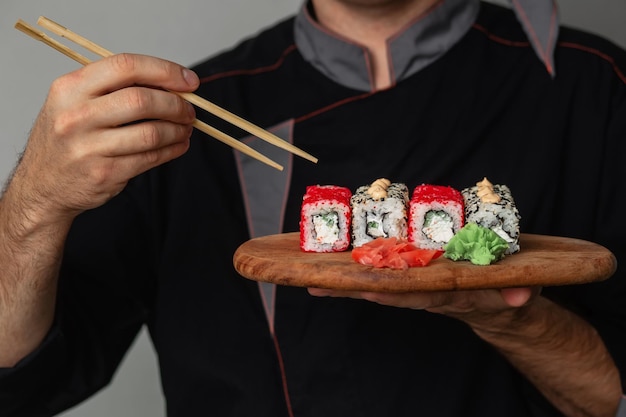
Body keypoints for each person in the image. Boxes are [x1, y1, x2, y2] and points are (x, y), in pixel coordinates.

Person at [0, 0, 625, 416]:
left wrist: (514, 320)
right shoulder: (185, 118)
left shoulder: (597, 87)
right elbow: (23, 382)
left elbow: (608, 395)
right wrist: (34, 206)